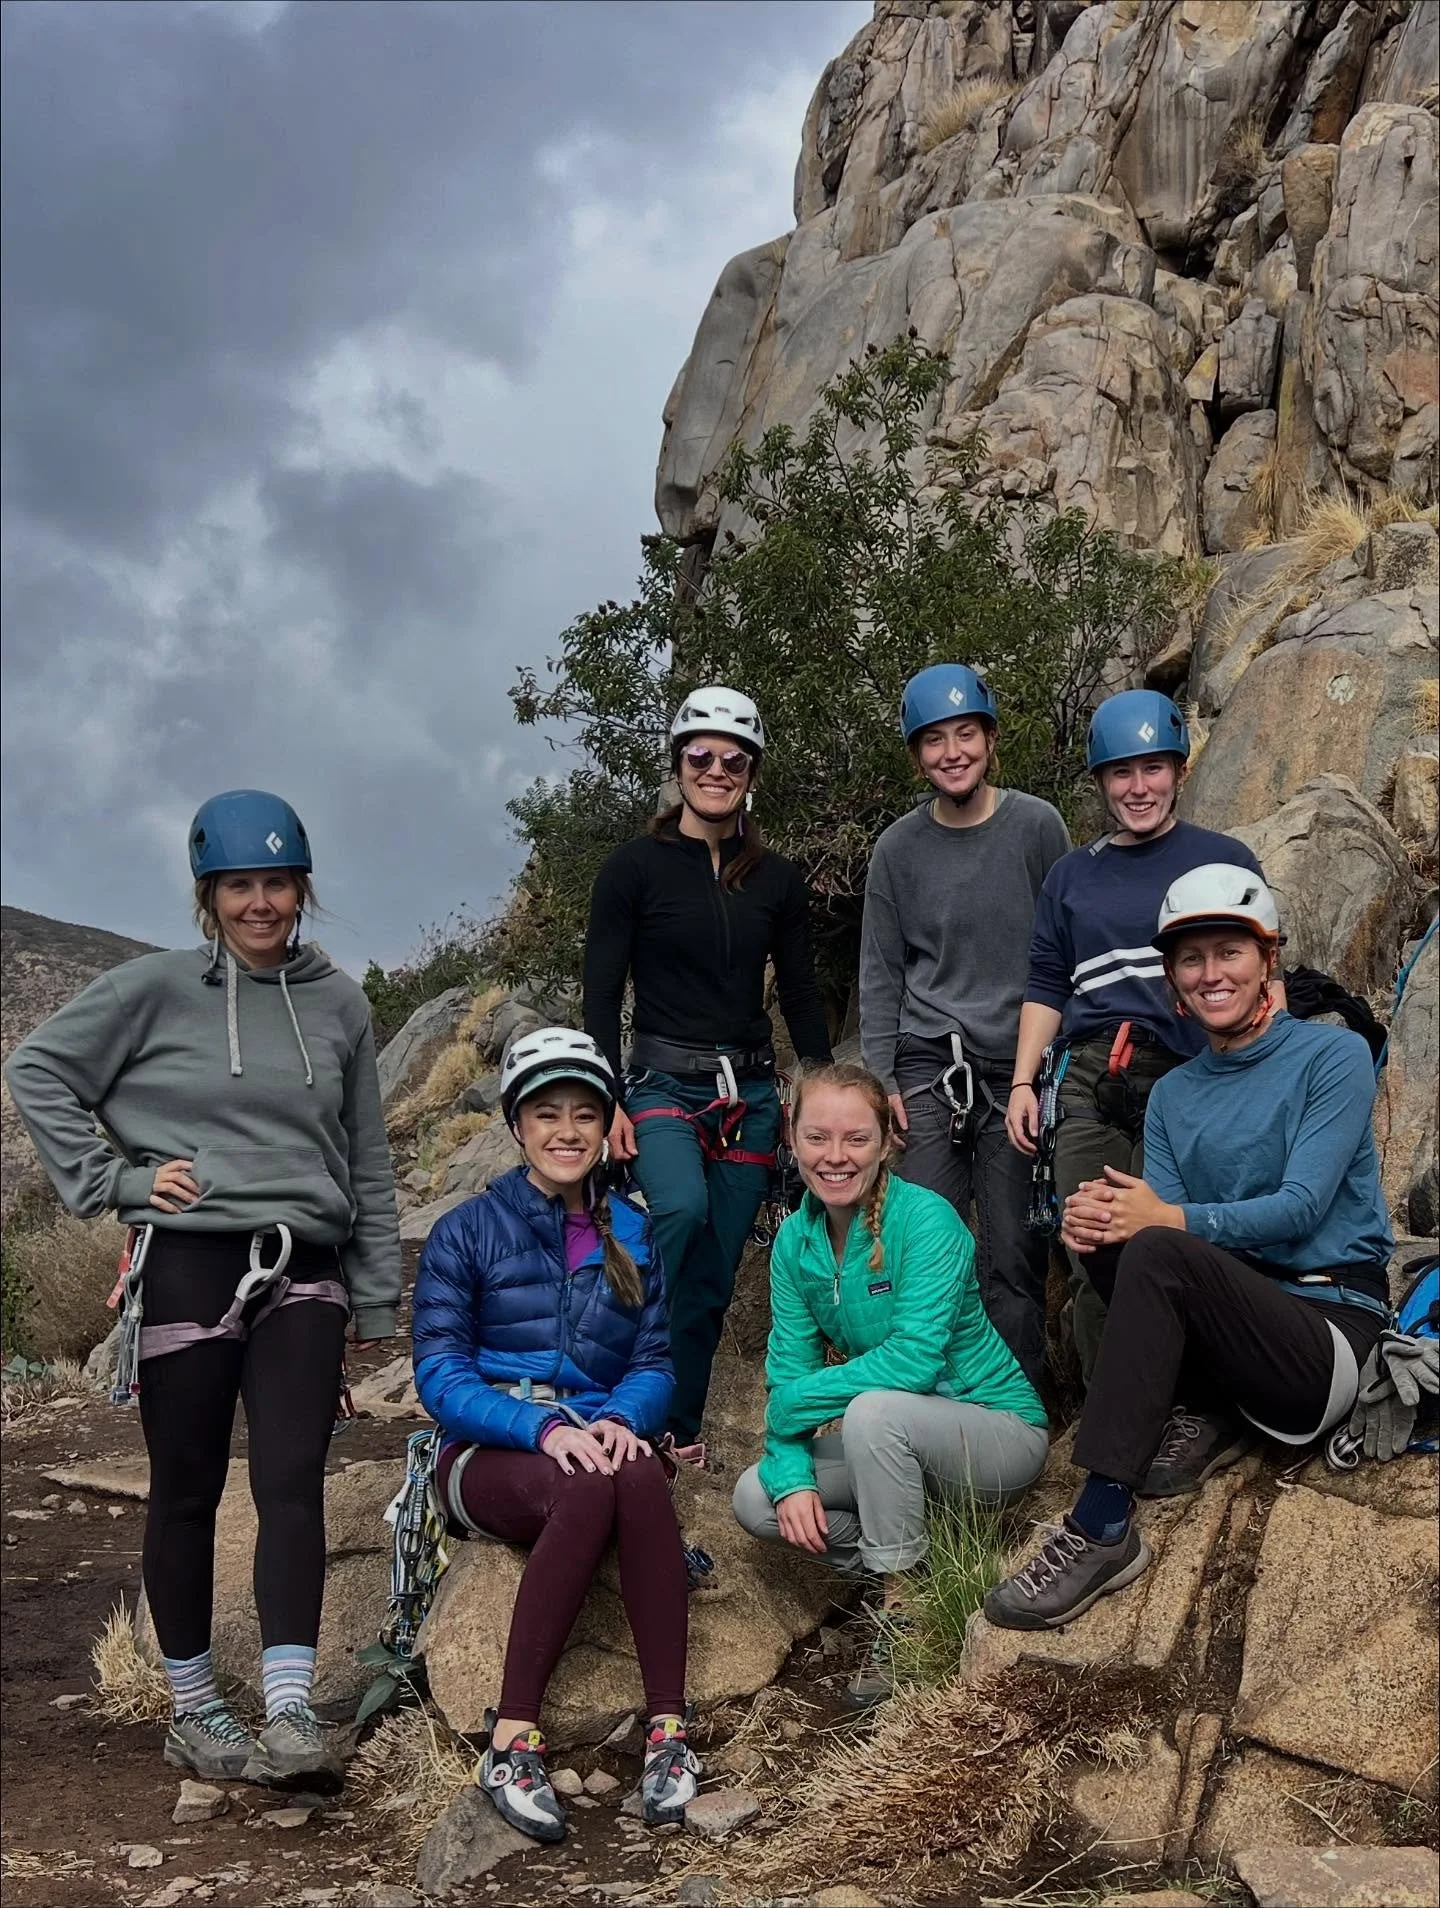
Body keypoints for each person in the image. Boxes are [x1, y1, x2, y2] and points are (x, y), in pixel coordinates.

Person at [4, 790, 400, 1790]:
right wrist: (119, 1184)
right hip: (187, 1263)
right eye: (238, 886)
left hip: (303, 1269)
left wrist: (378, 1294)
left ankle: (292, 1712)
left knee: (290, 1478)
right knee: (186, 1490)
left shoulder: (342, 1002)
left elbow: (369, 1161)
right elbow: (38, 1068)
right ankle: (193, 1710)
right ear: (207, 894)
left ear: (301, 887)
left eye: (276, 883)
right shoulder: (157, 990)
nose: (260, 903)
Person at [984, 867, 1393, 1630]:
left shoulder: (1329, 1059)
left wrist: (1160, 1221)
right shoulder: (1173, 1094)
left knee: (1160, 1242)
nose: (1212, 974)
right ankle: (1207, 1409)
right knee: (1122, 1231)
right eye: (1191, 959)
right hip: (1240, 1328)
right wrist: (1099, 1222)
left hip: (1329, 1335)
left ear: (1267, 959)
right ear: (1173, 979)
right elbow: (1161, 1228)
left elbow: (1301, 1207)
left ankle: (1103, 1525)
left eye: (1229, 952)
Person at [411, 1027, 700, 1843]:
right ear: (516, 1127)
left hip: (595, 1433)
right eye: (547, 1114)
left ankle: (669, 1736)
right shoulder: (465, 1232)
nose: (567, 1131)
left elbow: (653, 1364)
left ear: (608, 1123)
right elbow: (440, 1376)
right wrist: (540, 1427)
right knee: (584, 1481)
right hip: (485, 1453)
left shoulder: (636, 1232)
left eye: (584, 1113)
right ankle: (511, 1740)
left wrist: (618, 1420)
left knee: (637, 1473)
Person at [732, 1060, 1048, 1702]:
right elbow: (790, 1366)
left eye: (856, 1139)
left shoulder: (925, 1220)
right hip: (894, 1451)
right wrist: (791, 1472)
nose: (835, 1157)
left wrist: (789, 1405)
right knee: (755, 1499)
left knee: (875, 1411)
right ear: (791, 1140)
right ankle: (928, 1563)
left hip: (994, 1434)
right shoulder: (796, 1242)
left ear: (886, 1142)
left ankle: (902, 1613)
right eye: (817, 1137)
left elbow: (912, 1363)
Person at [1005, 690, 1280, 1381]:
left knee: (1173, 1236)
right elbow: (1047, 983)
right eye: (1121, 773)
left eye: (1153, 768)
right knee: (1093, 1241)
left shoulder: (1224, 859)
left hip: (1194, 1067)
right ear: (1100, 781)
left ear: (1181, 771)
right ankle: (1116, 1415)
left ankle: (1189, 1398)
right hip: (1093, 1073)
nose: (1138, 787)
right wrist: (1022, 1082)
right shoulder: (1073, 875)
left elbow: (1263, 967)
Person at [584, 687, 832, 1449]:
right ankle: (613, 1394)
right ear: (678, 764)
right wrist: (607, 1101)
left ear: (750, 771)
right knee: (678, 1215)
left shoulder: (778, 881)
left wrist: (818, 1085)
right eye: (701, 756)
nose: (716, 770)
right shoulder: (633, 869)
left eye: (733, 759)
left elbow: (797, 988)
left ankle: (676, 1430)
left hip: (750, 1092)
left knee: (716, 1275)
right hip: (661, 1083)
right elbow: (600, 989)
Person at [860, 664, 1070, 1389]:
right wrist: (882, 1079)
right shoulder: (896, 850)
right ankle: (930, 1398)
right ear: (916, 755)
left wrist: (1053, 1064)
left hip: (1020, 1063)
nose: (952, 752)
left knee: (1013, 1250)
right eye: (934, 740)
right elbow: (882, 973)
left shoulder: (1036, 826)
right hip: (929, 1067)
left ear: (990, 740)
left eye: (966, 734)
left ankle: (1017, 1407)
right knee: (928, 1244)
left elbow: (1063, 946)